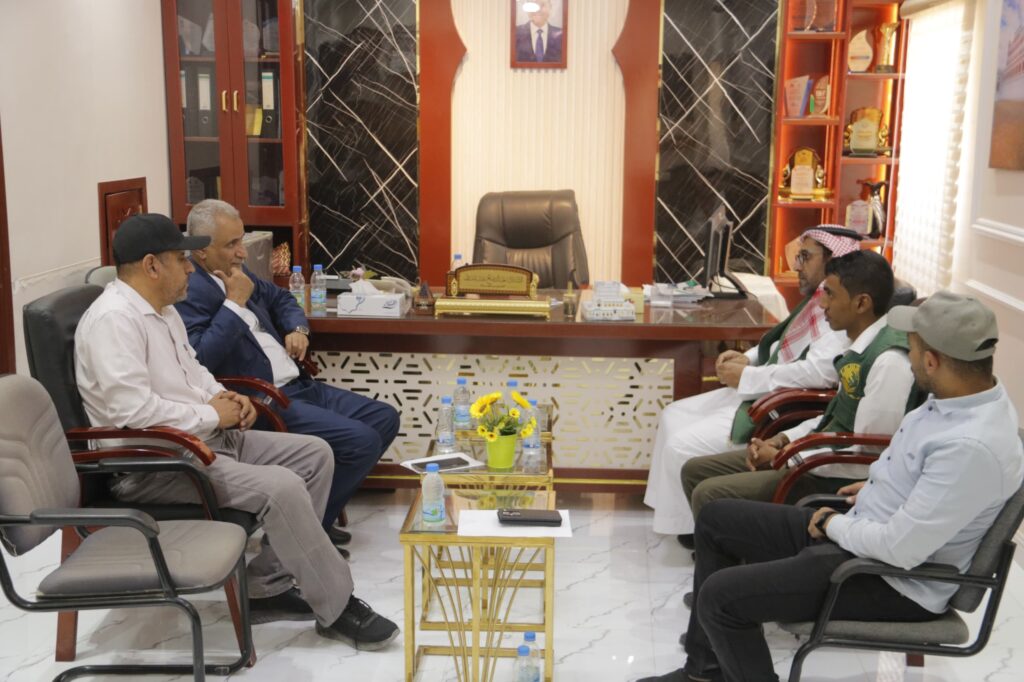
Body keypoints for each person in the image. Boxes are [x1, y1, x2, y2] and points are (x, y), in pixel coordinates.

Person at [640, 292, 1024, 682]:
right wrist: (876, 487)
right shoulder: (966, 398)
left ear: (931, 361)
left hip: (888, 580)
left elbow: (901, 549)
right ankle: (705, 672)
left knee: (721, 597)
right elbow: (926, 480)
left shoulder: (970, 447)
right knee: (715, 519)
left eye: (911, 348)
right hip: (863, 537)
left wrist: (830, 524)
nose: (906, 357)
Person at [75, 213, 399, 649]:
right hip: (158, 463)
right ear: (152, 265)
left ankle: (266, 587)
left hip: (202, 441)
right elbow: (132, 412)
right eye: (181, 260)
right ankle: (338, 607)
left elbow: (194, 371)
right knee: (282, 486)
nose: (190, 269)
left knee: (316, 454)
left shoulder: (163, 311)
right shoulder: (114, 321)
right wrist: (213, 415)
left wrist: (227, 397)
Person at [175, 199, 400, 546]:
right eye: (232, 244)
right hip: (264, 399)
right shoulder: (188, 291)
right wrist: (234, 304)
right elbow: (201, 358)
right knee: (361, 441)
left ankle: (310, 523)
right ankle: (304, 537)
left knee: (384, 418)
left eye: (241, 240)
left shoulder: (237, 273)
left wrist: (298, 329)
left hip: (298, 384)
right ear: (201, 250)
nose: (242, 252)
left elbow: (281, 298)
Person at [645, 226, 860, 546]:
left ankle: (693, 531)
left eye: (805, 256)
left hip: (777, 407)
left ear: (833, 260)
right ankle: (678, 519)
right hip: (762, 391)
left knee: (681, 446)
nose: (797, 265)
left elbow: (817, 373)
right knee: (672, 414)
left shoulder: (839, 313)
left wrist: (747, 376)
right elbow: (781, 344)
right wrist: (746, 358)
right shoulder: (816, 302)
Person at [681, 250, 916, 520]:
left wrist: (786, 457)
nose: (822, 304)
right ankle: (717, 539)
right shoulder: (859, 345)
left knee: (709, 493)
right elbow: (832, 419)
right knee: (694, 471)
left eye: (831, 295)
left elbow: (867, 454)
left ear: (861, 303)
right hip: (817, 456)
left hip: (833, 475)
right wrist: (782, 439)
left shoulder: (888, 362)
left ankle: (728, 544)